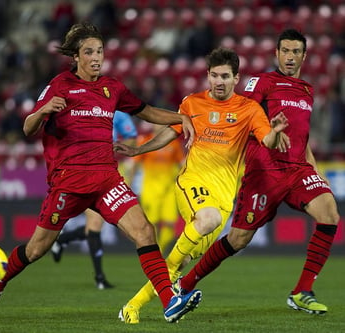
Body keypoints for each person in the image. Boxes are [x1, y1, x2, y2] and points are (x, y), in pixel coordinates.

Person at [0, 22, 202, 324]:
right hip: (68, 182)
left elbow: (146, 110)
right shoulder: (59, 86)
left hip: (106, 179)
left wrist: (181, 118)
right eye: (89, 52)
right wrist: (43, 111)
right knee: (36, 248)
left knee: (144, 231)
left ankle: (169, 302)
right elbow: (28, 128)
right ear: (76, 57)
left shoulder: (112, 88)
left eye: (100, 51)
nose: (97, 57)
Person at [115, 47, 289, 324]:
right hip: (192, 183)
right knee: (206, 219)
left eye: (225, 76)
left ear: (236, 78)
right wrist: (140, 151)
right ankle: (172, 293)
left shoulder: (248, 109)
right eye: (214, 76)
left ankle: (132, 308)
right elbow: (170, 134)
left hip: (223, 198)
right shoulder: (192, 103)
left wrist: (276, 133)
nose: (219, 82)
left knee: (178, 263)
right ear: (207, 76)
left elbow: (267, 140)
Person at [175, 29, 340, 315]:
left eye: (295, 52)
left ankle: (302, 291)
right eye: (285, 51)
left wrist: (315, 169)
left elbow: (303, 136)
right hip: (264, 170)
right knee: (239, 239)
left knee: (330, 214)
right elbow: (241, 111)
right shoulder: (261, 82)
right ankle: (186, 283)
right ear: (276, 54)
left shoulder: (307, 91)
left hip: (298, 170)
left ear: (304, 55)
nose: (290, 57)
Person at [50, 110, 138, 290]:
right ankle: (99, 278)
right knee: (96, 223)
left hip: (109, 171)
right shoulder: (80, 110)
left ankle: (62, 239)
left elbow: (132, 139)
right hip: (83, 171)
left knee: (97, 225)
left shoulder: (118, 114)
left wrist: (115, 147)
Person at [133, 122, 184, 255]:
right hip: (150, 189)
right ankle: (153, 252)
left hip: (169, 189)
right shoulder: (145, 141)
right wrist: (130, 183)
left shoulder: (174, 143)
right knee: (151, 223)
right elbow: (135, 164)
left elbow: (181, 165)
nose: (158, 126)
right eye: (156, 123)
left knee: (169, 223)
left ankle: (160, 250)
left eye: (161, 123)